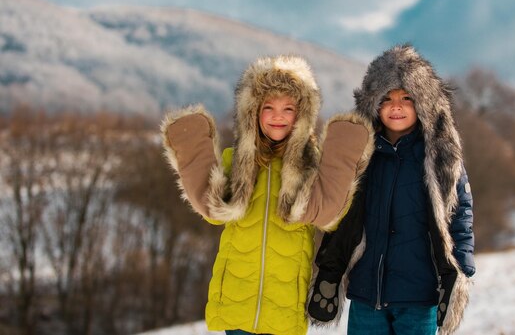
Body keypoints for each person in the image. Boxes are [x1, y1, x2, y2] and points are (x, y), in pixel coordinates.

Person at [161, 55, 374, 335]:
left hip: (284, 303)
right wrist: (191, 152)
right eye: (268, 107)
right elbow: (214, 211)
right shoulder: (235, 160)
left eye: (288, 108)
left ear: (302, 115)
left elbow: (328, 214)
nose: (278, 116)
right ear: (253, 112)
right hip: (237, 298)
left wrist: (345, 152)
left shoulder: (312, 167)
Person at [307, 44, 476, 335]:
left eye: (407, 98)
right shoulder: (361, 156)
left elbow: (460, 220)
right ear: (373, 103)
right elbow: (342, 217)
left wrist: (458, 273)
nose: (396, 106)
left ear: (423, 102)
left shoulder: (441, 158)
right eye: (387, 98)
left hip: (419, 297)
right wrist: (330, 271)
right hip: (366, 293)